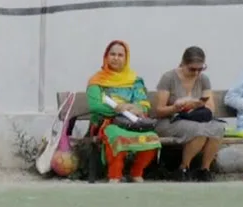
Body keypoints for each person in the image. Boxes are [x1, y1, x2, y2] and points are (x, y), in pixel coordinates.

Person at [86, 40, 161, 183]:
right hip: (107, 122)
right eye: (112, 54)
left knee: (152, 138)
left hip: (132, 121)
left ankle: (136, 172)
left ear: (126, 59)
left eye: (120, 55)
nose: (116, 58)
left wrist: (135, 108)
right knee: (117, 136)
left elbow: (143, 104)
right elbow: (95, 105)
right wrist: (117, 108)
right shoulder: (97, 80)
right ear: (106, 56)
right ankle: (115, 174)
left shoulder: (135, 80)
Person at [153, 46, 226, 181]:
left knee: (218, 128)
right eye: (192, 69)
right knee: (199, 130)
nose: (197, 73)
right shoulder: (169, 77)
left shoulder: (203, 79)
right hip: (170, 120)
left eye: (201, 69)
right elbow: (159, 110)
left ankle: (205, 169)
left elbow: (210, 108)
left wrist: (196, 105)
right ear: (183, 63)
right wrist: (177, 107)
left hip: (196, 118)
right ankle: (183, 168)